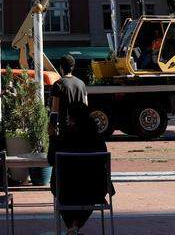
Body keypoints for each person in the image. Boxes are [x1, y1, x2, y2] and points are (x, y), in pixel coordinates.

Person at [48, 101, 112, 235]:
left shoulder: (64, 137)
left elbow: (51, 160)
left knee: (60, 187)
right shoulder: (97, 138)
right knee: (89, 197)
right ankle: (75, 225)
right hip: (93, 189)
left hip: (66, 189)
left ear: (72, 118)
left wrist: (52, 137)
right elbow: (102, 161)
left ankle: (72, 225)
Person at [50, 55, 88, 134]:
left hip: (65, 128)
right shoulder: (82, 84)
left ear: (61, 67)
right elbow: (86, 106)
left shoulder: (58, 84)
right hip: (81, 127)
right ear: (73, 67)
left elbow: (55, 109)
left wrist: (52, 126)